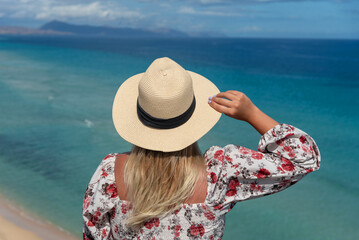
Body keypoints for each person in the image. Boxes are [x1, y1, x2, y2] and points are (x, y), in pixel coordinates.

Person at [82, 57, 321, 240]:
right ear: (192, 115)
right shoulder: (221, 171)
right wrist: (252, 114)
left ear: (139, 116)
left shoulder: (110, 172)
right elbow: (303, 158)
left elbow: (93, 233)